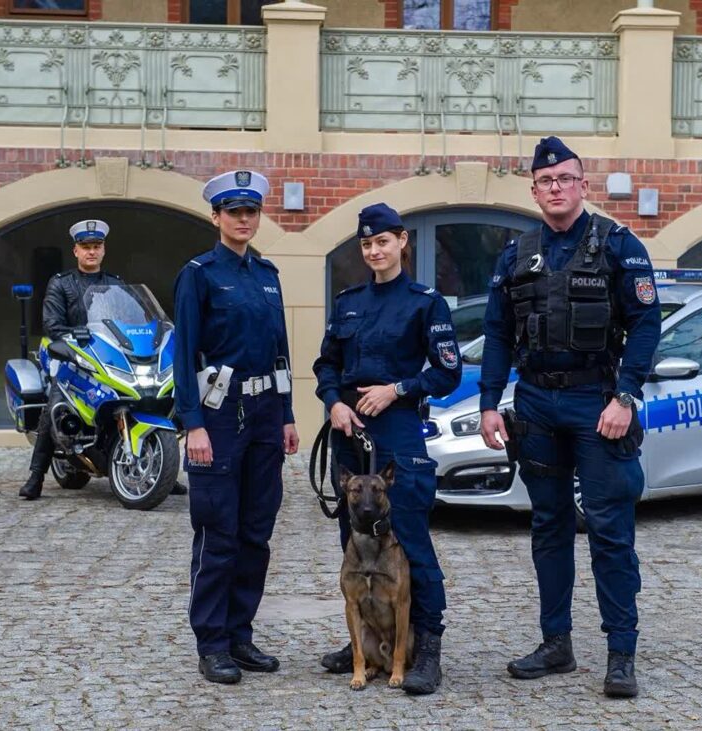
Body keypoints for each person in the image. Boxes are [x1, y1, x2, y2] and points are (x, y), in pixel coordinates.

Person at [478, 137, 661, 698]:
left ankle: (621, 653)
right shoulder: (517, 253)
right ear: (534, 190)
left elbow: (647, 324)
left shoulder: (618, 246)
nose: (556, 188)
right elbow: (498, 333)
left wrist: (624, 396)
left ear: (584, 184)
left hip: (596, 404)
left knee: (609, 529)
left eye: (566, 178)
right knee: (549, 527)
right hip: (535, 403)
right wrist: (489, 403)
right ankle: (555, 643)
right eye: (546, 181)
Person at [313, 202, 462, 696]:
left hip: (397, 428)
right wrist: (334, 402)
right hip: (348, 427)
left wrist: (397, 389)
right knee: (353, 539)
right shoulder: (348, 301)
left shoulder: (425, 303)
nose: (375, 251)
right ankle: (365, 638)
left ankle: (427, 649)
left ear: (402, 242)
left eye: (383, 242)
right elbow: (326, 365)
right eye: (367, 244)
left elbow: (446, 372)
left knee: (410, 539)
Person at [173, 170, 300, 685]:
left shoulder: (268, 274)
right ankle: (212, 642)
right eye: (233, 211)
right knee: (218, 532)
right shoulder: (199, 274)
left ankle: (241, 634)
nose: (244, 219)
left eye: (251, 211)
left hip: (267, 415)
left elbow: (280, 351)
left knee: (256, 533)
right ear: (216, 217)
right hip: (219, 417)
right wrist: (193, 424)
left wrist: (288, 414)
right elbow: (183, 356)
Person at [18, 219, 123, 500]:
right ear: (75, 250)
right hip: (67, 354)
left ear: (104, 250)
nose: (92, 251)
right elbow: (52, 325)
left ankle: (160, 469)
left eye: (96, 246)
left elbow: (127, 321)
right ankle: (36, 476)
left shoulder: (115, 284)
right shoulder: (60, 283)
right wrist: (75, 334)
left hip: (104, 356)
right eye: (86, 246)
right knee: (55, 404)